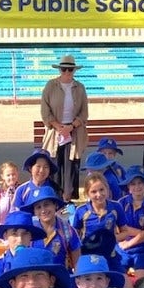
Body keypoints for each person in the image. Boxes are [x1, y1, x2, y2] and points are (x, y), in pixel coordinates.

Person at [40, 55, 89, 203]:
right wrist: (57, 126)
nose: (67, 72)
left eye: (70, 69)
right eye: (64, 69)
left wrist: (71, 126)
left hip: (73, 132)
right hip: (55, 132)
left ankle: (68, 199)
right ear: (60, 70)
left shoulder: (80, 88)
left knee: (71, 167)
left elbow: (84, 113)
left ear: (74, 70)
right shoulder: (50, 86)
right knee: (54, 166)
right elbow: (45, 110)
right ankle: (54, 198)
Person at [72, 172, 139, 276]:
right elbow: (73, 238)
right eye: (93, 192)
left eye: (102, 190)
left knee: (124, 283)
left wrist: (110, 240)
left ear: (107, 189)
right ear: (87, 193)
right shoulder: (81, 211)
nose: (99, 195)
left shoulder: (115, 207)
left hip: (110, 255)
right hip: (88, 255)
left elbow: (125, 232)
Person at [0, 210, 46, 288]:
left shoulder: (40, 261)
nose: (20, 239)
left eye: (25, 234)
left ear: (31, 236)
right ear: (5, 236)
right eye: (14, 234)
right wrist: (17, 265)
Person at [20, 185, 81, 271]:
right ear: (34, 211)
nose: (43, 210)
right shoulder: (29, 230)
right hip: (36, 279)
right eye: (38, 207)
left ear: (55, 205)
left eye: (46, 205)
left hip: (61, 281)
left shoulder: (69, 232)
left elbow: (78, 265)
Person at [117, 165, 144, 281]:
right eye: (133, 184)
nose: (137, 187)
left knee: (142, 283)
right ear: (128, 186)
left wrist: (129, 243)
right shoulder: (121, 203)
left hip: (142, 248)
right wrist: (141, 232)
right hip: (122, 247)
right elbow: (118, 228)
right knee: (119, 280)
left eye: (140, 183)